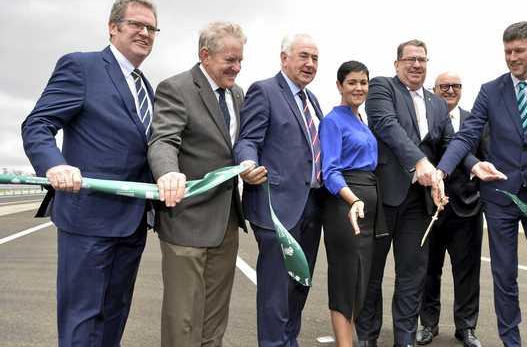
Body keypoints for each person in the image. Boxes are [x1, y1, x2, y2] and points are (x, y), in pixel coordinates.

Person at [21, 0, 158, 346]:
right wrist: (56, 165)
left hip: (132, 223)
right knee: (82, 322)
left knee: (114, 317)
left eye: (151, 27)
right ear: (113, 28)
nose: (145, 32)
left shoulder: (147, 87)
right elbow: (37, 125)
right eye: (136, 24)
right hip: (87, 220)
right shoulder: (81, 67)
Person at [436, 22, 527, 347]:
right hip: (499, 198)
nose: (512, 58)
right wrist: (441, 171)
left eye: (519, 51)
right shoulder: (490, 90)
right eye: (507, 51)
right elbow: (467, 134)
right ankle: (511, 342)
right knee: (504, 275)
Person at [147, 22, 248, 347]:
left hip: (227, 222)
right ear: (205, 55)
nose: (236, 67)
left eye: (240, 61)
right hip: (187, 220)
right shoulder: (176, 88)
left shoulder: (237, 94)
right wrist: (167, 173)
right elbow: (163, 140)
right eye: (229, 60)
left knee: (214, 320)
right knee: (184, 321)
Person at [355, 40, 455, 347]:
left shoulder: (437, 103)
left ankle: (405, 339)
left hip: (420, 202)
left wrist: (445, 173)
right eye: (410, 59)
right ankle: (367, 337)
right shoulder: (382, 87)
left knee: (413, 275)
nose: (416, 65)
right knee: (372, 274)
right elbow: (387, 126)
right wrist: (421, 162)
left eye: (422, 60)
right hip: (384, 196)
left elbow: (451, 144)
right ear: (397, 63)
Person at [234, 33, 324, 347]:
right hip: (277, 207)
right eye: (303, 56)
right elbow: (248, 139)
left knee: (299, 284)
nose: (310, 63)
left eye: (314, 58)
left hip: (312, 206)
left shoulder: (312, 100)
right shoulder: (265, 91)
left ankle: (289, 341)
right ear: (284, 58)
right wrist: (247, 164)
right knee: (275, 290)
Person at [416, 72, 487, 347]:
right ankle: (428, 324)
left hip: (467, 210)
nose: (450, 90)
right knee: (428, 271)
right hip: (429, 209)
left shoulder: (476, 122)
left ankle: (466, 327)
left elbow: (486, 159)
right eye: (443, 86)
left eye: (456, 86)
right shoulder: (424, 120)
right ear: (433, 90)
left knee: (467, 273)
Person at [319, 61, 385, 347]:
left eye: (363, 82)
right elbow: (330, 172)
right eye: (352, 82)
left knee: (361, 281)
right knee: (346, 282)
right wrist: (354, 199)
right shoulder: (333, 121)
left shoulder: (361, 120)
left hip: (366, 209)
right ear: (339, 86)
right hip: (345, 208)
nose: (359, 88)